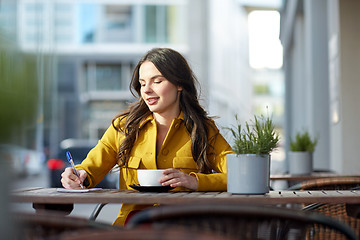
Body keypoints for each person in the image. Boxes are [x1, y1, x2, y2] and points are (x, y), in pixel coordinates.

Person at [61, 48, 233, 226]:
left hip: (185, 227)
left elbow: (237, 174)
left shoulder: (203, 130)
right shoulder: (123, 127)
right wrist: (77, 176)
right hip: (133, 227)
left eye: (157, 81)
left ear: (179, 84)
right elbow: (89, 169)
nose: (147, 90)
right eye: (143, 84)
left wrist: (195, 181)